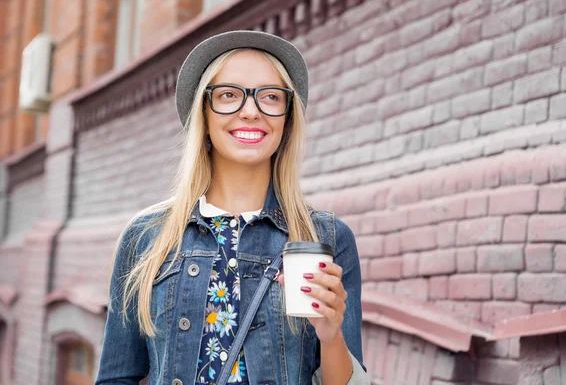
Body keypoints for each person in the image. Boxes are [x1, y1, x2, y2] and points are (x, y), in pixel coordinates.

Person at [95, 30, 368, 385]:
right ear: (203, 115)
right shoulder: (147, 236)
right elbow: (117, 377)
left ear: (286, 121)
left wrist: (331, 336)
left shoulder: (327, 238)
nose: (251, 111)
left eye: (270, 96)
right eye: (228, 95)